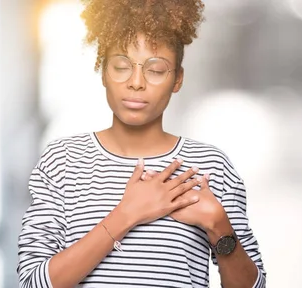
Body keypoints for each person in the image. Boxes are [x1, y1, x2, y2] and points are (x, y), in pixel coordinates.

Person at [16, 0, 266, 287]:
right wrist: (128, 214)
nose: (136, 82)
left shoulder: (211, 167)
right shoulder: (63, 161)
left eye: (156, 70)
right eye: (121, 66)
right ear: (103, 71)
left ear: (177, 79)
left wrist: (220, 227)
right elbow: (31, 283)